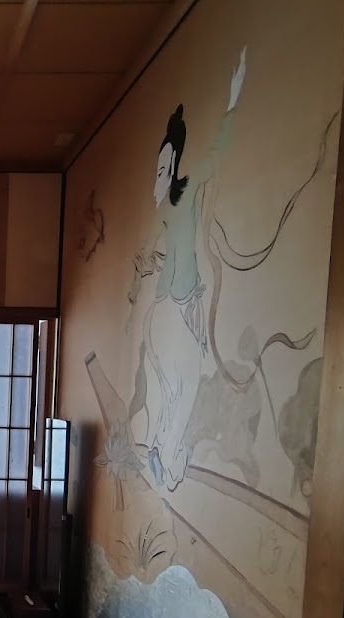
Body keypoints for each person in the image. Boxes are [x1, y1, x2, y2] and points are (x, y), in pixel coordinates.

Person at [129, 47, 246, 490]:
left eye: (162, 168)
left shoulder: (178, 197)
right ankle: (168, 458)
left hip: (165, 310)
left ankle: (161, 450)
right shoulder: (172, 205)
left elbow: (216, 152)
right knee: (187, 388)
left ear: (174, 164)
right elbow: (217, 153)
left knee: (168, 392)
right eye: (156, 170)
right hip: (177, 308)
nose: (157, 179)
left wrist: (233, 101)